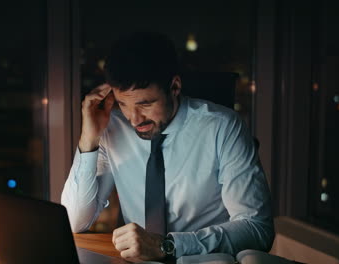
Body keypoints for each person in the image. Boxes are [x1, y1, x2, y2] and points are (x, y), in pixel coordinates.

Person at [61, 32, 274, 263]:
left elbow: (257, 229)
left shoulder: (222, 127)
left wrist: (168, 246)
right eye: (123, 104)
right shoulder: (112, 127)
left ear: (174, 86)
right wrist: (88, 140)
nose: (134, 119)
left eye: (146, 103)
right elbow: (74, 221)